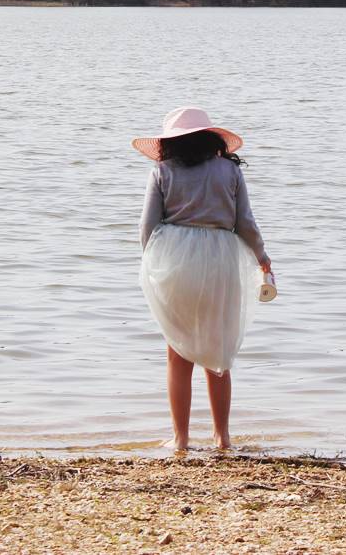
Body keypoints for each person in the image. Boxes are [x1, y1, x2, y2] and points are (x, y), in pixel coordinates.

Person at [134, 106, 273, 453]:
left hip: (176, 256)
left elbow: (147, 229)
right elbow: (245, 224)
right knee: (219, 349)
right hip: (221, 257)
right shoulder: (229, 172)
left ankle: (180, 439)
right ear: (210, 137)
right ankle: (222, 437)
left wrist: (155, 264)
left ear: (171, 143)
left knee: (177, 353)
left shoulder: (162, 172)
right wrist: (262, 257)